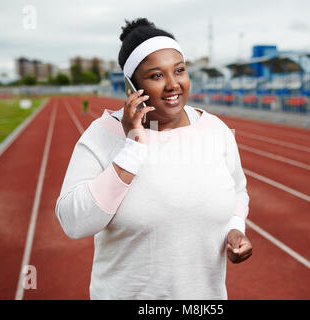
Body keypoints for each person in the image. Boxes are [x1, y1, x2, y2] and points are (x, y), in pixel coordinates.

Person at [55, 18, 252, 300]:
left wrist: (235, 230)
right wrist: (132, 149)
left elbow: (238, 191)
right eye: (157, 76)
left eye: (180, 70)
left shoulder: (215, 129)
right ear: (131, 87)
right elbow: (74, 223)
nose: (173, 85)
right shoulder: (102, 135)